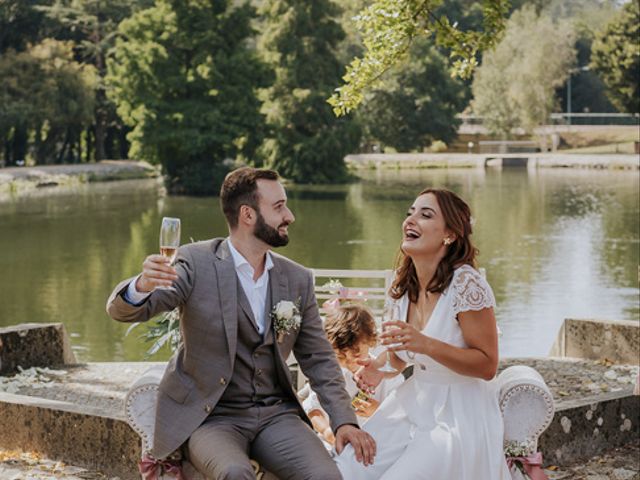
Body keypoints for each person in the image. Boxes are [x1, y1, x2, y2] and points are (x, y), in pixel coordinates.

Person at [106, 167, 375, 480]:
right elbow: (123, 311)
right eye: (279, 207)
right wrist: (141, 286)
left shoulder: (297, 279)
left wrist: (344, 421)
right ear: (248, 215)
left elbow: (319, 359)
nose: (290, 215)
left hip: (277, 416)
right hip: (212, 416)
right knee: (235, 473)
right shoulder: (195, 262)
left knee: (326, 477)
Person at [335, 188, 511, 479]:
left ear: (450, 234)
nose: (410, 220)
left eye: (425, 215)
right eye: (410, 213)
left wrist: (427, 344)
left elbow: (487, 365)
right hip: (411, 403)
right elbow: (402, 359)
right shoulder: (401, 288)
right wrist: (379, 367)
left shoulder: (467, 285)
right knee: (348, 467)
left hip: (458, 415)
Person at [300, 304, 403, 444]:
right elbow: (312, 410)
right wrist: (327, 432)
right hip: (334, 443)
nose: (349, 362)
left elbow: (401, 417)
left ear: (371, 342)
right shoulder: (329, 374)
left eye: (356, 354)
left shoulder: (386, 375)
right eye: (341, 357)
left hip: (377, 443)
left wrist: (377, 411)